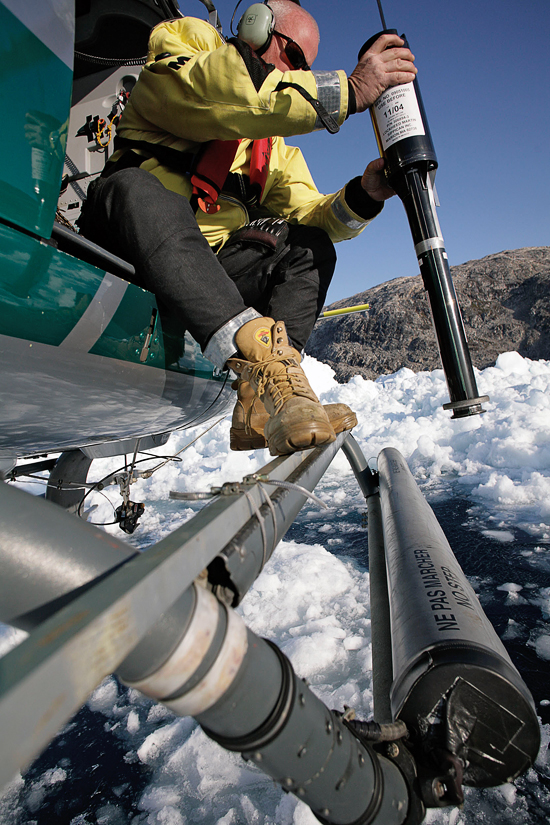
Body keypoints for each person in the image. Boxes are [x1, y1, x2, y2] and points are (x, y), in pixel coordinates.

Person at [78, 0, 417, 455]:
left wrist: (365, 193)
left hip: (202, 276)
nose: (298, 72)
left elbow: (313, 215)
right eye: (295, 58)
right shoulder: (189, 46)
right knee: (136, 187)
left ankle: (269, 399)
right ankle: (263, 366)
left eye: (306, 67)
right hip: (124, 246)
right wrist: (351, 90)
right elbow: (227, 92)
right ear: (256, 29)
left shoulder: (270, 148)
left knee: (309, 246)